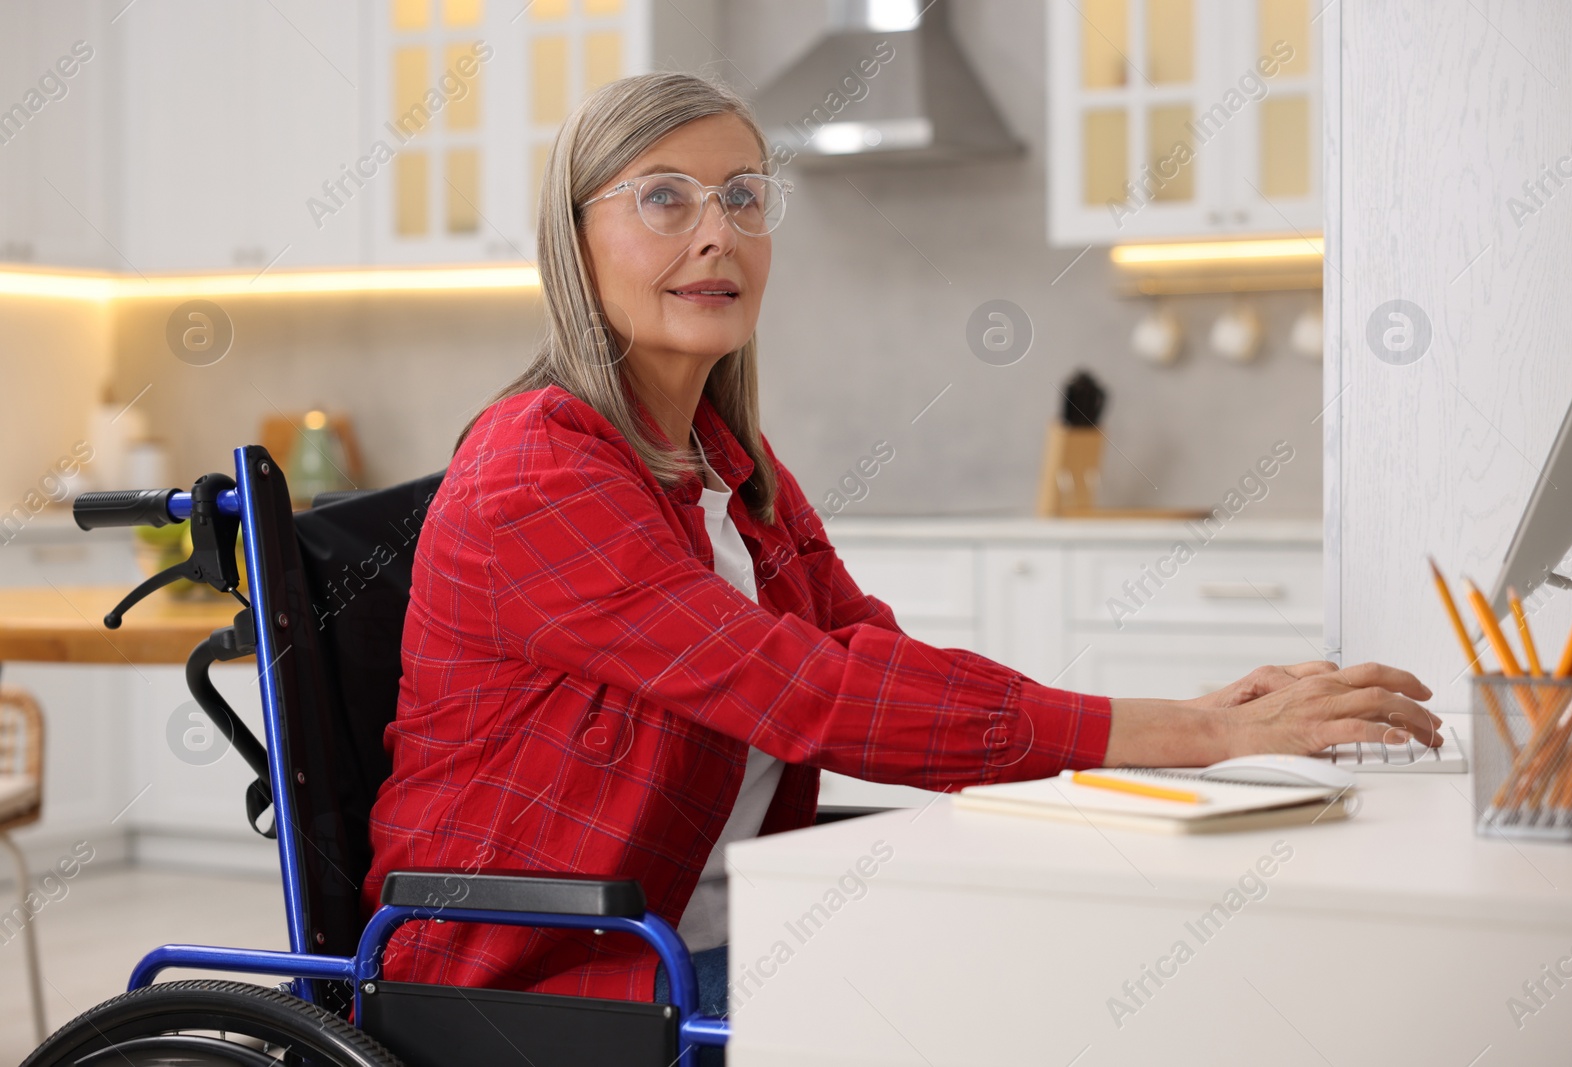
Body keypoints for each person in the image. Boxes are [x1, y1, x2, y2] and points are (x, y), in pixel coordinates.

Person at [360, 70, 1437, 1042]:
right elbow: (812, 695)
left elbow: (868, 656)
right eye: (663, 198)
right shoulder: (538, 472)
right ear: (575, 241)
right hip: (534, 980)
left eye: (743, 195)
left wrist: (1191, 716)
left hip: (696, 947)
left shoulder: (728, 465)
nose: (717, 234)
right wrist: (1196, 733)